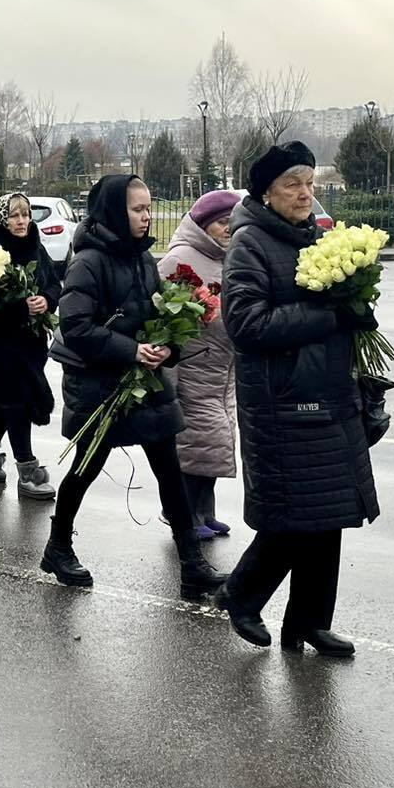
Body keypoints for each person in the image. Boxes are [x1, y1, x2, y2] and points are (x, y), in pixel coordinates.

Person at [216, 143, 379, 658]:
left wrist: (356, 310)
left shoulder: (314, 237)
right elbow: (245, 324)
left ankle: (309, 622)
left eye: (309, 182)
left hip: (327, 394)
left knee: (327, 513)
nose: (305, 193)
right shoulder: (250, 244)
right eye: (293, 184)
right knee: (293, 518)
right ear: (266, 191)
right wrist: (332, 315)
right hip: (282, 401)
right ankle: (242, 596)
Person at [44, 174, 227, 599]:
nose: (147, 217)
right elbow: (74, 326)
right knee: (85, 469)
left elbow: (155, 317)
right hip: (100, 385)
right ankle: (57, 546)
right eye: (138, 209)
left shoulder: (143, 259)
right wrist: (131, 351)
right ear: (113, 211)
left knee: (169, 469)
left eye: (149, 208)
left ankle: (191, 563)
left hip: (144, 382)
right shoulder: (88, 261)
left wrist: (167, 349)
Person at [0, 192, 61, 499]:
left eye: (26, 215)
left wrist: (45, 300)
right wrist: (21, 308)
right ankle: (27, 470)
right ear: (1, 220)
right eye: (15, 216)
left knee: (12, 402)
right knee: (16, 400)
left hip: (29, 340)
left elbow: (53, 283)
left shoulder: (36, 247)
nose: (22, 222)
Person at [156, 189, 239, 538]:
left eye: (233, 223)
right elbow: (161, 311)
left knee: (215, 444)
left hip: (222, 371)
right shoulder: (180, 259)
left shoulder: (228, 257)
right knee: (195, 446)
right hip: (193, 369)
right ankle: (184, 516)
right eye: (222, 223)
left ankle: (205, 512)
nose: (228, 229)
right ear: (205, 225)